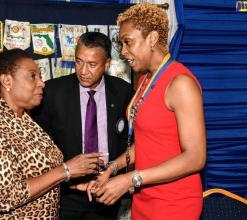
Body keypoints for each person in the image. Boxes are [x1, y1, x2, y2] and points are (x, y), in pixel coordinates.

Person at [86, 3, 207, 220]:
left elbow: (195, 158)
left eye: (128, 42)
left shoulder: (180, 83)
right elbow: (148, 142)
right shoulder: (144, 80)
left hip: (175, 203)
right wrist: (112, 168)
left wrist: (130, 179)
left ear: (151, 38)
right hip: (144, 198)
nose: (123, 52)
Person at [0, 48, 107, 220]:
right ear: (7, 81)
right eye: (32, 76)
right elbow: (4, 196)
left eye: (40, 76)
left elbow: (38, 175)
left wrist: (73, 183)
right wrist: (66, 170)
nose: (42, 83)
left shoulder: (27, 121)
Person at [31, 32, 135, 220]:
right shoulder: (52, 92)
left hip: (106, 193)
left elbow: (129, 142)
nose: (83, 71)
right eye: (78, 62)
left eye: (92, 64)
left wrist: (114, 173)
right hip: (66, 194)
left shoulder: (123, 92)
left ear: (107, 64)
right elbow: (37, 148)